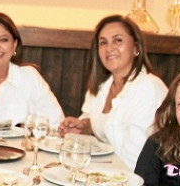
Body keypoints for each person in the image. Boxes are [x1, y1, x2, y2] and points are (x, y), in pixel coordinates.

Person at [60, 15, 168, 170]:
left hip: (135, 183)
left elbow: (135, 160)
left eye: (118, 40)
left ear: (136, 48)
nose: (109, 48)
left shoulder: (147, 87)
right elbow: (100, 124)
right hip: (108, 174)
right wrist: (83, 127)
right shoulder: (101, 87)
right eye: (103, 43)